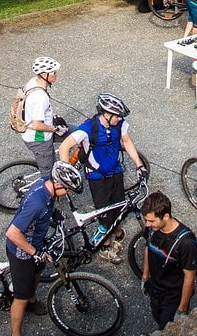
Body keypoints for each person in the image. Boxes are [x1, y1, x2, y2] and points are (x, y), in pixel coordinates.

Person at [57, 92, 146, 264]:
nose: (120, 119)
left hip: (116, 172)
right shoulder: (89, 128)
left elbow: (127, 142)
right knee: (104, 212)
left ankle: (116, 232)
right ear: (107, 114)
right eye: (117, 116)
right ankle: (104, 246)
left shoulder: (119, 125)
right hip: (97, 177)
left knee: (119, 205)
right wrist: (67, 174)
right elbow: (64, 147)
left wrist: (139, 164)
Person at [6, 161, 84, 336]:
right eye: (67, 189)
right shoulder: (37, 203)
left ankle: (32, 301)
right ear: (57, 184)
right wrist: (34, 252)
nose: (69, 193)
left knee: (39, 271)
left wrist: (54, 213)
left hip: (36, 244)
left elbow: (48, 205)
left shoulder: (45, 182)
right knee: (20, 297)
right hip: (22, 251)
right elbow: (13, 233)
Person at [139, 190, 197, 329]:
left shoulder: (186, 243)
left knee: (167, 330)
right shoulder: (152, 228)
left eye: (151, 221)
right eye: (146, 220)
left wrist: (182, 310)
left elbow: (189, 277)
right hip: (155, 288)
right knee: (157, 318)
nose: (147, 224)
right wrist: (145, 276)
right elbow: (148, 247)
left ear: (166, 216)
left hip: (173, 296)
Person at [22, 57, 65, 176]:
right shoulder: (39, 97)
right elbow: (37, 125)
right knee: (49, 175)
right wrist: (55, 129)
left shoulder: (33, 82)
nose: (56, 75)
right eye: (53, 73)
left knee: (76, 133)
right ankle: (53, 192)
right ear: (43, 74)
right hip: (39, 139)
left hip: (40, 127)